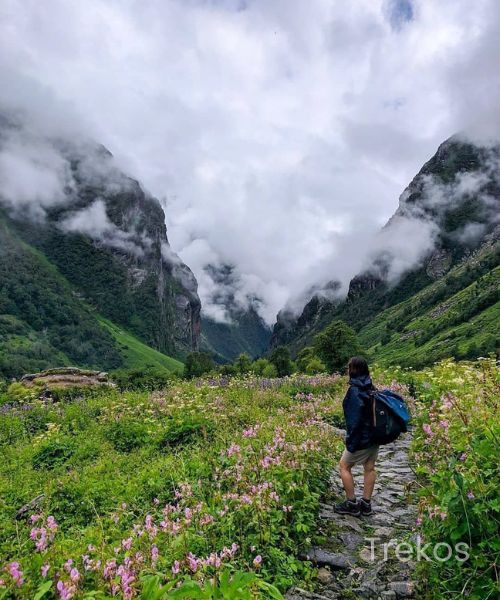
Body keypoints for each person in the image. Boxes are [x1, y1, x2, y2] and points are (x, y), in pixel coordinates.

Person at [334, 356, 378, 517]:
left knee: (344, 465)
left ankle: (352, 503)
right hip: (375, 436)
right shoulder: (370, 386)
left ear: (353, 369)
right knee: (369, 467)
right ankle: (366, 504)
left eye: (348, 367)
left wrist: (351, 441)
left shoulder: (354, 390)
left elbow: (354, 419)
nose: (347, 369)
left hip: (361, 437)